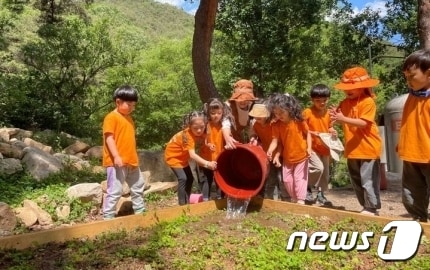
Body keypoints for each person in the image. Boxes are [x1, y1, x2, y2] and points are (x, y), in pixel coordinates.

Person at [329, 66, 382, 216]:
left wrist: (342, 119)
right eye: (346, 88)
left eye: (353, 87)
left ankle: (371, 208)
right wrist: (333, 124)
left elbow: (364, 123)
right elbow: (337, 118)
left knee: (368, 180)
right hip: (352, 149)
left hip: (369, 148)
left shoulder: (368, 102)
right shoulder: (344, 103)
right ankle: (365, 206)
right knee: (357, 180)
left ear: (363, 87)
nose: (348, 90)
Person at [102, 85, 146, 220]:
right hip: (117, 162)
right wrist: (116, 156)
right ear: (118, 102)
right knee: (115, 190)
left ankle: (140, 211)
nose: (133, 108)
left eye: (134, 105)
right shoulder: (111, 117)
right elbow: (109, 138)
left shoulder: (129, 118)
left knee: (138, 186)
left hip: (132, 161)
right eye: (129, 105)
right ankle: (108, 216)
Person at [398, 49, 430, 222]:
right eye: (406, 77)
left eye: (412, 76)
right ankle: (418, 220)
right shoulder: (412, 97)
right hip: (411, 154)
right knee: (410, 193)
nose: (408, 81)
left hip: (428, 154)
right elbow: (407, 122)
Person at [164, 111, 217, 205]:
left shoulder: (201, 131)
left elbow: (204, 138)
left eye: (202, 127)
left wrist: (208, 145)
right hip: (173, 157)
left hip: (183, 158)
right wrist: (207, 163)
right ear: (190, 125)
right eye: (195, 128)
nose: (199, 130)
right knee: (183, 178)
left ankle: (187, 201)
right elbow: (192, 155)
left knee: (190, 178)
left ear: (205, 124)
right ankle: (182, 205)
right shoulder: (187, 136)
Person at [267, 93, 312, 204]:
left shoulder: (298, 121)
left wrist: (309, 148)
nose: (279, 116)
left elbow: (308, 134)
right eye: (276, 113)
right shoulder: (276, 125)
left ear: (289, 108)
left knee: (299, 178)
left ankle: (300, 200)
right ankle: (294, 198)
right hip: (287, 157)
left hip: (301, 155)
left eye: (281, 112)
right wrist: (270, 150)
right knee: (286, 180)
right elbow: (275, 140)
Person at [303, 84, 337, 206]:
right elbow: (302, 129)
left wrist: (333, 131)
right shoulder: (307, 112)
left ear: (328, 99)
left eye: (324, 100)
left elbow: (330, 127)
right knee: (318, 168)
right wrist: (313, 133)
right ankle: (307, 187)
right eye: (318, 100)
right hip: (312, 146)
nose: (321, 103)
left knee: (325, 174)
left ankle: (321, 195)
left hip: (326, 147)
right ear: (312, 100)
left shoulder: (329, 113)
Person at [248, 101, 289, 201]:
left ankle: (286, 199)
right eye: (256, 115)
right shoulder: (256, 125)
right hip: (268, 155)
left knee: (282, 179)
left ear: (266, 115)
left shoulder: (273, 124)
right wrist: (253, 137)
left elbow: (279, 142)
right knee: (270, 178)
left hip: (280, 155)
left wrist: (277, 155)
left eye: (260, 115)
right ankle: (268, 199)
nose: (258, 118)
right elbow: (255, 135)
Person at [199, 98, 234, 200]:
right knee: (206, 179)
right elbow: (203, 140)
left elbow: (228, 137)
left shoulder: (224, 125)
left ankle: (221, 199)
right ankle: (205, 199)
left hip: (219, 157)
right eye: (213, 113)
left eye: (219, 113)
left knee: (220, 179)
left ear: (222, 112)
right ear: (208, 113)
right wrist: (208, 144)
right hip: (206, 158)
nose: (216, 115)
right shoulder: (206, 124)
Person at [222, 79, 258, 149]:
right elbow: (225, 123)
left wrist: (253, 136)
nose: (243, 102)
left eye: (246, 99)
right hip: (224, 137)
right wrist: (227, 136)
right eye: (240, 99)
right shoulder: (228, 106)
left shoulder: (252, 106)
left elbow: (251, 124)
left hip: (237, 138)